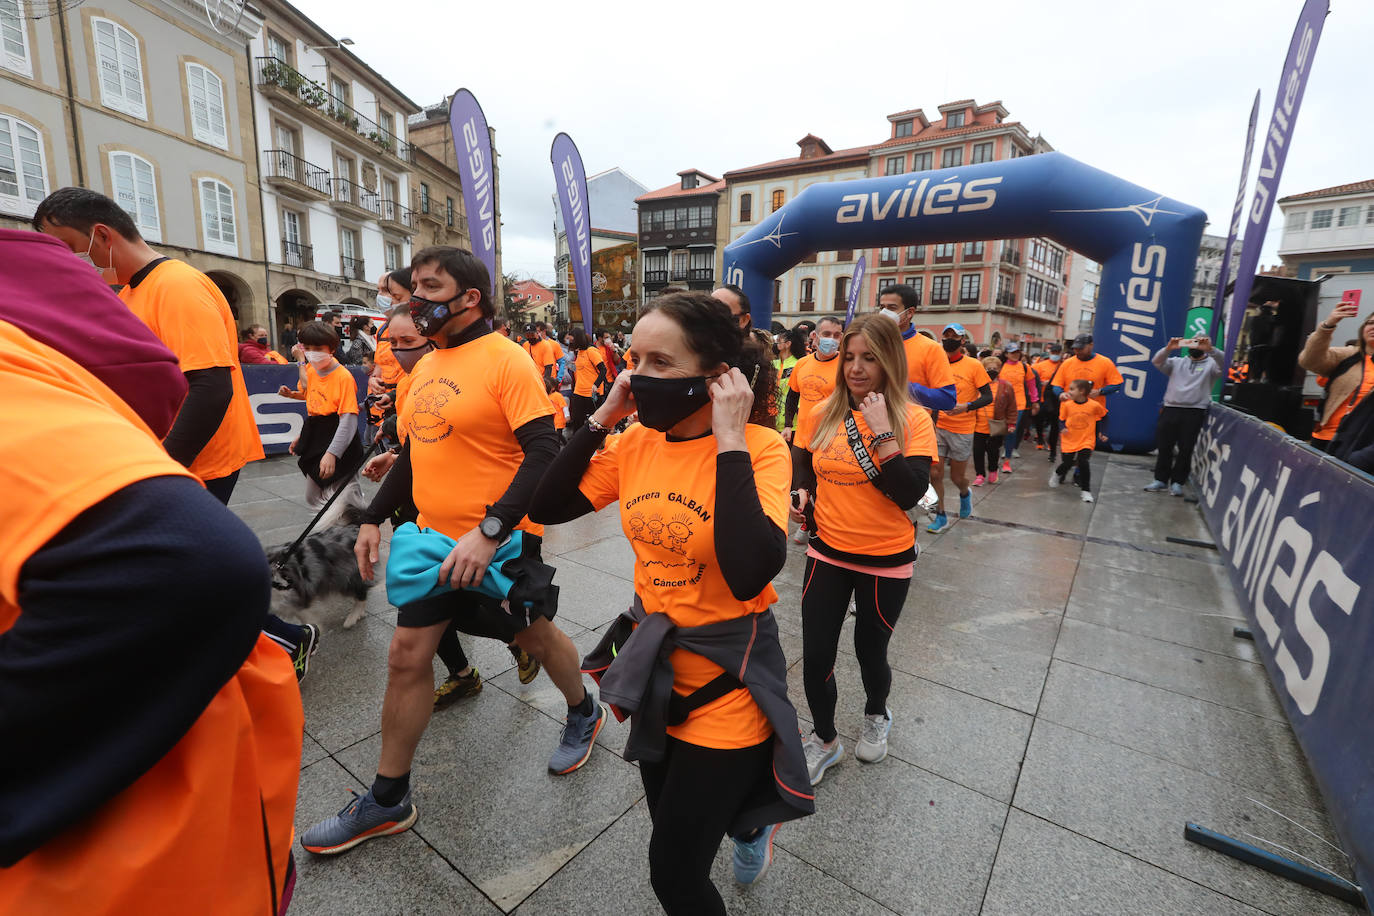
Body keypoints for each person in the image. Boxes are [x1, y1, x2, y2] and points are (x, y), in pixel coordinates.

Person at [0, 227, 300, 913]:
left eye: (75, 246)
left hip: (120, 858)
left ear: (100, 236)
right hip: (167, 826)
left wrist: (163, 466)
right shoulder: (124, 291)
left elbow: (183, 561)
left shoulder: (180, 284)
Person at [302, 246, 600, 856]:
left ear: (470, 298)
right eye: (413, 287)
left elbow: (543, 453)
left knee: (534, 637)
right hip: (432, 540)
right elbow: (417, 451)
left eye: (430, 287)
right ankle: (388, 799)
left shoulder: (507, 360)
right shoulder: (428, 366)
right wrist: (375, 517)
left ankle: (582, 708)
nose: (416, 300)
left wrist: (489, 531)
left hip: (500, 540)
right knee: (406, 656)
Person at [528, 290, 812, 912]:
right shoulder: (634, 444)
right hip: (656, 677)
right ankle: (747, 820)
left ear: (715, 378)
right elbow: (546, 507)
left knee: (672, 875)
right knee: (674, 832)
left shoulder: (761, 450)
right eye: (634, 358)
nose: (637, 375)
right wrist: (603, 416)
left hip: (726, 684)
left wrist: (731, 436)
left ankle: (746, 819)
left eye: (660, 363)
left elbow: (750, 570)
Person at [792, 313, 935, 786]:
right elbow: (802, 456)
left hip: (886, 560)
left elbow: (911, 493)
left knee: (870, 651)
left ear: (890, 360)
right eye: (849, 357)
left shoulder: (913, 418)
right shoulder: (823, 411)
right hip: (827, 552)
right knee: (816, 654)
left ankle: (877, 713)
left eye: (869, 358)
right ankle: (825, 740)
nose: (855, 367)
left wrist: (882, 432)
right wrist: (802, 491)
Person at [277, 321, 367, 519]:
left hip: (338, 435)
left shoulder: (343, 377)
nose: (311, 353)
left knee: (344, 494)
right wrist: (303, 436)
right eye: (307, 348)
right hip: (317, 433)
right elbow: (315, 399)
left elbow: (348, 419)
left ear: (332, 349)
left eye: (318, 348)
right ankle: (336, 530)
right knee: (314, 496)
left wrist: (333, 453)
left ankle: (356, 530)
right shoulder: (311, 370)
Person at [927, 324, 992, 533]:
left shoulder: (974, 366)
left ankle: (965, 493)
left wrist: (967, 406)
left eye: (954, 336)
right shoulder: (936, 364)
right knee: (934, 473)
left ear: (963, 340)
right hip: (938, 427)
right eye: (946, 335)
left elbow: (988, 396)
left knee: (957, 478)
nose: (949, 339)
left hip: (963, 429)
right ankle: (941, 515)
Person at [1144, 336, 1223, 496]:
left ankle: (1177, 482)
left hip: (1194, 411)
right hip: (1171, 408)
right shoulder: (1176, 362)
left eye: (1199, 343)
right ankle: (1160, 479)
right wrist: (1168, 348)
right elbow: (1156, 361)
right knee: (1164, 446)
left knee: (1186, 449)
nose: (1196, 346)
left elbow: (1223, 362)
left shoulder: (1211, 365)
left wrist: (1211, 350)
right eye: (1193, 342)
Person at [1300, 298, 1373, 453]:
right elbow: (1309, 361)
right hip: (1329, 438)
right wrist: (1328, 325)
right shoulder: (1348, 355)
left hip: (1365, 447)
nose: (1373, 327)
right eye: (1370, 323)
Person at [874, 284, 957, 410]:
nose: (884, 313)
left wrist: (902, 386)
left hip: (911, 426)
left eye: (892, 308)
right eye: (882, 307)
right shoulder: (870, 343)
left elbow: (947, 400)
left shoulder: (930, 348)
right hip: (869, 424)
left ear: (909, 313)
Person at [1048, 333, 1124, 453]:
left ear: (1091, 345)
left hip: (1092, 413)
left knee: (1085, 448)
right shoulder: (1067, 363)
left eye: (1081, 348)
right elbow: (1056, 384)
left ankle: (1080, 468)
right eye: (1075, 348)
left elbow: (1117, 383)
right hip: (1070, 412)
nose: (1078, 351)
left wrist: (1100, 391)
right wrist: (1060, 394)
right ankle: (1067, 463)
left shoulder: (1105, 362)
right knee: (1068, 448)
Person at [1049, 379, 1107, 503]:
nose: (1068, 391)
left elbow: (1104, 416)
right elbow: (1061, 419)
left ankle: (1086, 491)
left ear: (1082, 391)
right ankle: (1057, 473)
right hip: (1070, 438)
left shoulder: (1094, 405)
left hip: (1086, 439)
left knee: (1083, 462)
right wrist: (1062, 428)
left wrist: (1104, 432)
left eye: (1072, 389)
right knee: (1068, 463)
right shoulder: (1067, 404)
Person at [972, 356, 1015, 485]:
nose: (992, 371)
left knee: (993, 450)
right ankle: (979, 475)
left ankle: (993, 471)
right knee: (977, 451)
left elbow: (1012, 406)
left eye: (994, 368)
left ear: (999, 369)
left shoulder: (1006, 386)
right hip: (978, 425)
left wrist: (1011, 423)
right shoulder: (976, 385)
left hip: (996, 425)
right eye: (988, 369)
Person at [996, 342, 1039, 468]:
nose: (1015, 355)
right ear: (1006, 354)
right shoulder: (1000, 366)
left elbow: (1032, 386)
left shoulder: (1025, 367)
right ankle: (996, 457)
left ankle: (1007, 460)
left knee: (1011, 431)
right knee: (998, 431)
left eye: (1017, 352)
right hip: (1001, 404)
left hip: (1018, 405)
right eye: (1012, 352)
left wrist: (1035, 401)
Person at [568, 325, 607, 432]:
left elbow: (603, 370)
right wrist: (570, 365)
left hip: (592, 393)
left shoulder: (591, 351)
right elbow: (581, 369)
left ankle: (594, 445)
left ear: (578, 339)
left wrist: (596, 384)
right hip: (578, 392)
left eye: (572, 340)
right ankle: (577, 444)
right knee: (577, 421)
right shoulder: (579, 352)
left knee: (593, 424)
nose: (570, 343)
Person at [1031, 343, 1063, 455]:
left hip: (1056, 399)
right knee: (1039, 420)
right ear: (1050, 353)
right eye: (1053, 353)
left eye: (1057, 353)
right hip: (1042, 398)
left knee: (1054, 422)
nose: (1055, 355)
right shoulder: (1040, 365)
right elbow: (1032, 380)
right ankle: (1040, 439)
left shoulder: (1063, 365)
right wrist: (1042, 383)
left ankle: (1051, 442)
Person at [773, 325, 804, 433]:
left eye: (779, 340)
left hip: (792, 424)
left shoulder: (798, 364)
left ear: (788, 344)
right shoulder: (773, 364)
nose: (776, 343)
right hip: (772, 422)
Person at [547, 375, 569, 440]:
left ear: (553, 388)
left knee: (558, 435)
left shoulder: (557, 395)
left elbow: (564, 406)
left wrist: (567, 415)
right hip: (553, 420)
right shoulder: (548, 395)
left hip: (559, 419)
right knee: (557, 435)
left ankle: (565, 446)